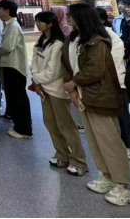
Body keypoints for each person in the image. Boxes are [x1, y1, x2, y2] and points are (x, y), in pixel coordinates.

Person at [62, 3, 130, 207]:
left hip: (100, 96)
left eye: (71, 14)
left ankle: (123, 185)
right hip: (82, 95)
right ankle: (107, 176)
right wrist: (72, 88)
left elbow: (96, 70)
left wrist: (73, 83)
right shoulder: (73, 39)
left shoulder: (100, 40)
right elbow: (66, 64)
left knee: (109, 140)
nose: (68, 17)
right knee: (94, 140)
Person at [31, 11, 88, 176]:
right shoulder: (41, 41)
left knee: (66, 126)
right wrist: (36, 79)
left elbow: (53, 72)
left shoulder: (58, 44)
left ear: (50, 23)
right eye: (36, 21)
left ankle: (79, 160)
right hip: (43, 89)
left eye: (40, 21)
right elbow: (34, 62)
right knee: (50, 123)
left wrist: (36, 79)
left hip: (57, 90)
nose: (37, 24)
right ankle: (62, 154)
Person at [96, 8, 130, 160]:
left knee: (121, 116)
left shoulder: (110, 36)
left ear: (101, 20)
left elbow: (111, 61)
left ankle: (128, 145)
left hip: (116, 83)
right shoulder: (91, 36)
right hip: (100, 83)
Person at [0, 0, 33, 140]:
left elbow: (7, 47)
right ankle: (19, 126)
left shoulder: (13, 26)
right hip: (9, 65)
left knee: (19, 98)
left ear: (7, 10)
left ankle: (25, 130)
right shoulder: (9, 25)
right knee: (13, 98)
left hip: (15, 67)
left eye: (0, 9)